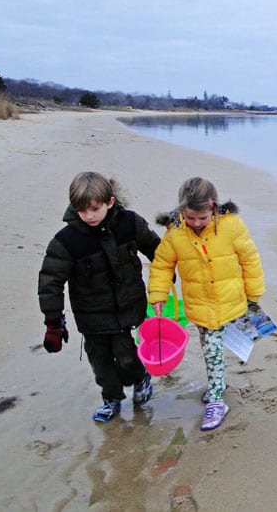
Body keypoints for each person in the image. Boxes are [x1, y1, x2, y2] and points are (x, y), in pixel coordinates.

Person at [38, 172, 161, 423]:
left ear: (110, 202)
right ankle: (111, 399)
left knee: (127, 357)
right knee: (100, 363)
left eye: (95, 209)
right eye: (82, 210)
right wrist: (53, 321)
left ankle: (140, 378)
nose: (89, 216)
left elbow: (157, 251)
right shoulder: (66, 241)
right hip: (91, 316)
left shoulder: (129, 224)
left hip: (126, 308)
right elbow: (50, 281)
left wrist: (164, 278)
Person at [148, 177, 265, 431]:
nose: (197, 223)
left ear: (214, 208)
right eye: (191, 218)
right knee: (208, 346)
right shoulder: (175, 232)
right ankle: (218, 383)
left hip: (229, 300)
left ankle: (216, 400)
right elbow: (162, 264)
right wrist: (157, 294)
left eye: (203, 218)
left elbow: (250, 259)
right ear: (181, 211)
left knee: (212, 348)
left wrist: (253, 293)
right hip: (198, 305)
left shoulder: (231, 226)